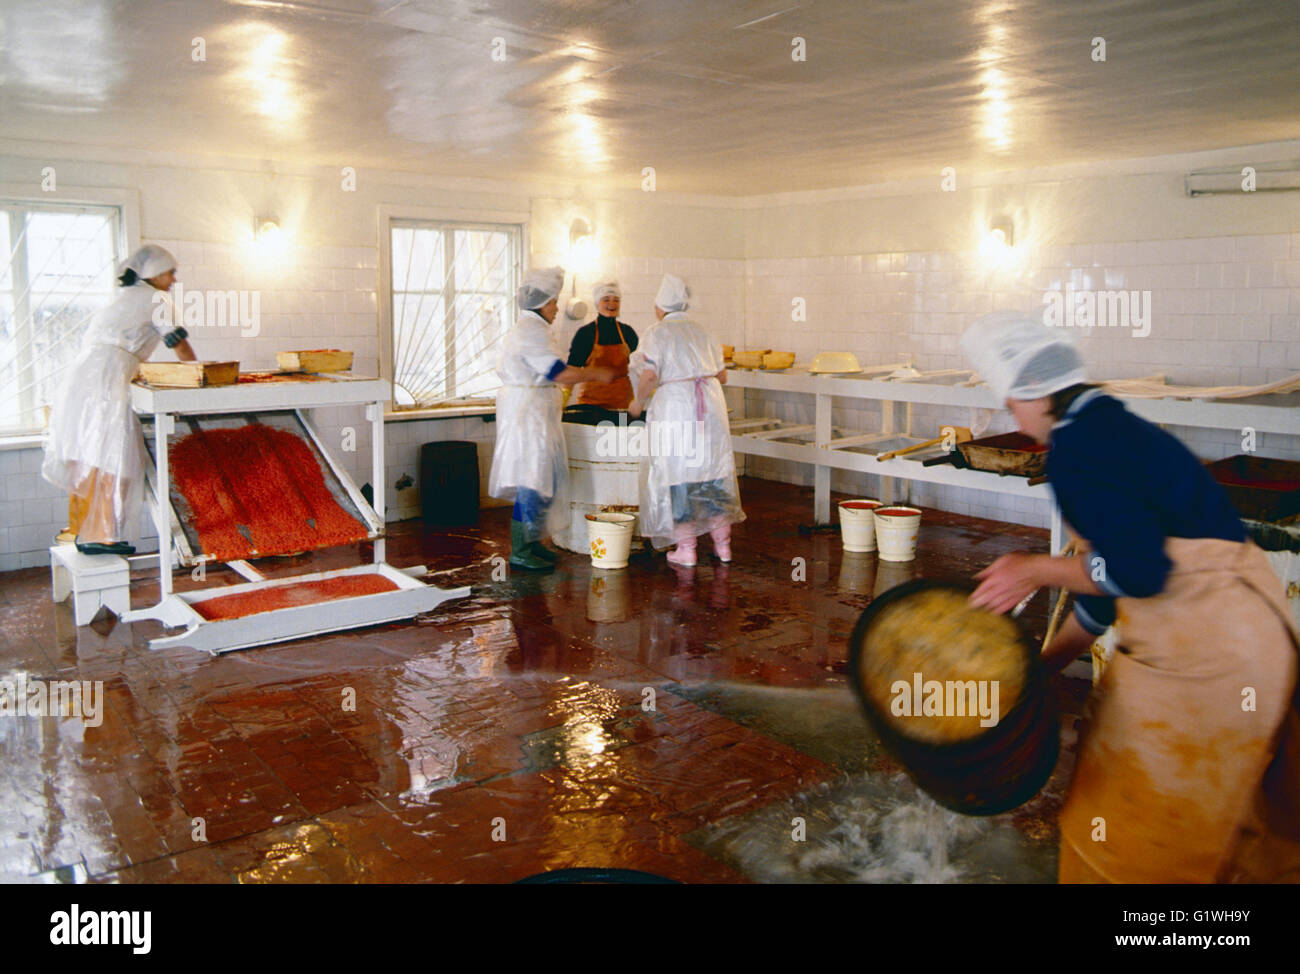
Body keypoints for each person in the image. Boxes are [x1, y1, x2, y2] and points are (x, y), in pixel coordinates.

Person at [962, 310, 1300, 884]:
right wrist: (1045, 666)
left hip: (1206, 653)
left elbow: (1139, 572)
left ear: (1031, 393)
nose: (1010, 414)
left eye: (1009, 400)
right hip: (1251, 634)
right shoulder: (1114, 426)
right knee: (1240, 832)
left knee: (1130, 833)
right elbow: (1109, 585)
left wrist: (1036, 569)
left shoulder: (1077, 451)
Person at [42, 244, 196, 555]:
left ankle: (82, 529)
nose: (174, 280)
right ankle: (97, 535)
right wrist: (197, 375)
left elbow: (121, 344)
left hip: (85, 375)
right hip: (106, 378)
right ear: (154, 274)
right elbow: (178, 345)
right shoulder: (157, 300)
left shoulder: (125, 296)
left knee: (89, 451)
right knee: (112, 452)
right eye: (170, 273)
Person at [488, 266, 617, 572]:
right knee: (531, 480)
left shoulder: (534, 328)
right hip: (527, 414)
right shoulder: (530, 332)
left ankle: (532, 543)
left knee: (540, 478)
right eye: (553, 302)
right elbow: (558, 372)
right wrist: (596, 374)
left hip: (534, 409)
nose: (557, 308)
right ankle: (520, 550)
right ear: (541, 302)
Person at [627, 274, 744, 567]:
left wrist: (638, 402)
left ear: (660, 307)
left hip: (676, 407)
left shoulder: (657, 332)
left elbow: (650, 375)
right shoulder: (703, 331)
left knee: (680, 475)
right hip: (710, 406)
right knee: (713, 472)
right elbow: (722, 375)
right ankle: (724, 546)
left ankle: (687, 548)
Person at [566, 279, 638, 410]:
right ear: (597, 303)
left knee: (620, 432)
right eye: (606, 299)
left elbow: (638, 367)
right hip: (591, 405)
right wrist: (563, 398)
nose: (612, 303)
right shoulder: (586, 334)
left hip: (622, 404)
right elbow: (572, 370)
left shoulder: (628, 333)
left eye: (616, 300)